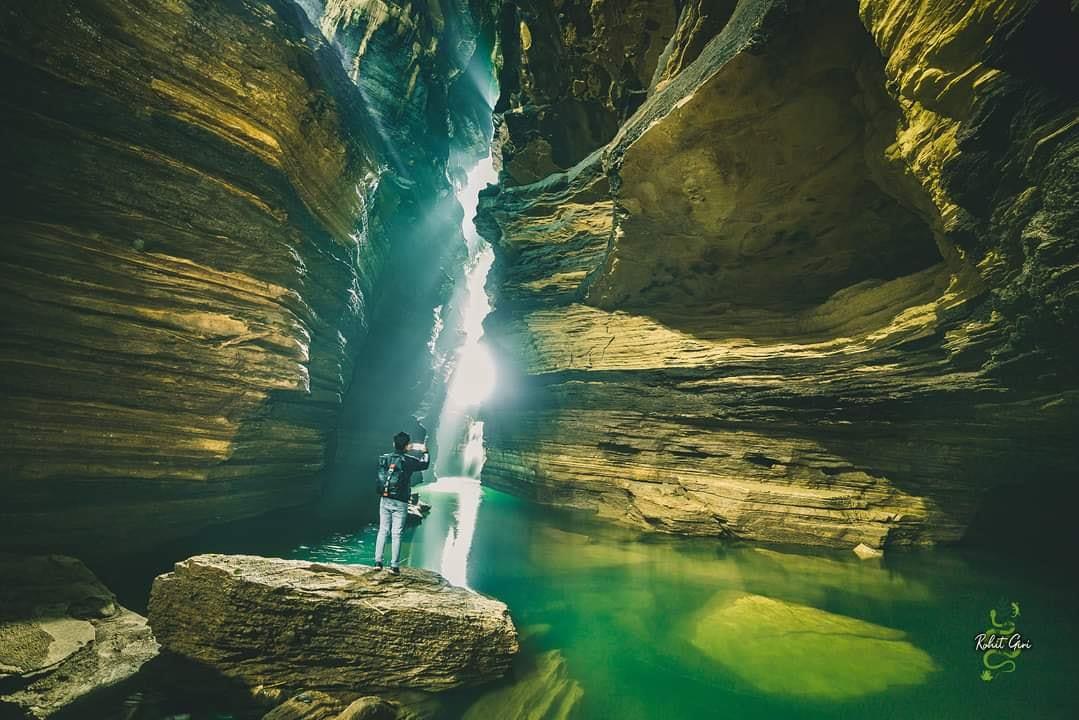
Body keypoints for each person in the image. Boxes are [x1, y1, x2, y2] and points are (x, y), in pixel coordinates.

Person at [374, 431, 430, 574]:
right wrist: (425, 452)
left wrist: (404, 448)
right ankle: (394, 566)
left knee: (383, 530)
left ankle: (378, 562)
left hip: (385, 498)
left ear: (394, 444)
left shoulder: (385, 458)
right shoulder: (409, 461)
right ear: (407, 445)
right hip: (401, 501)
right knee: (396, 533)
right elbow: (424, 465)